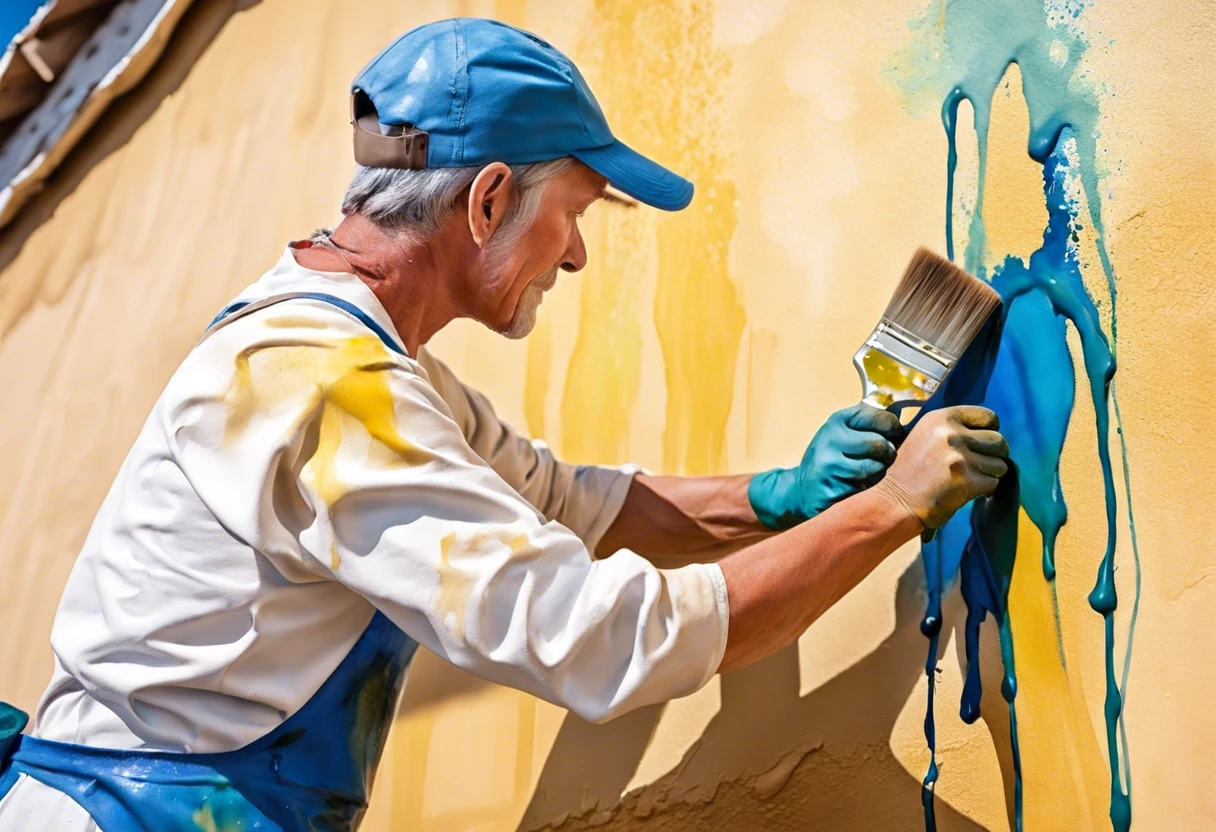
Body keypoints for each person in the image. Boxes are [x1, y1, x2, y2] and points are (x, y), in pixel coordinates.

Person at [0, 17, 1008, 832]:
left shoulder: (366, 364)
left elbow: (571, 504)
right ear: (487, 200)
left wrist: (781, 496)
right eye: (573, 214)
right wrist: (888, 513)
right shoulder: (323, 388)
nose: (573, 258)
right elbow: (598, 638)